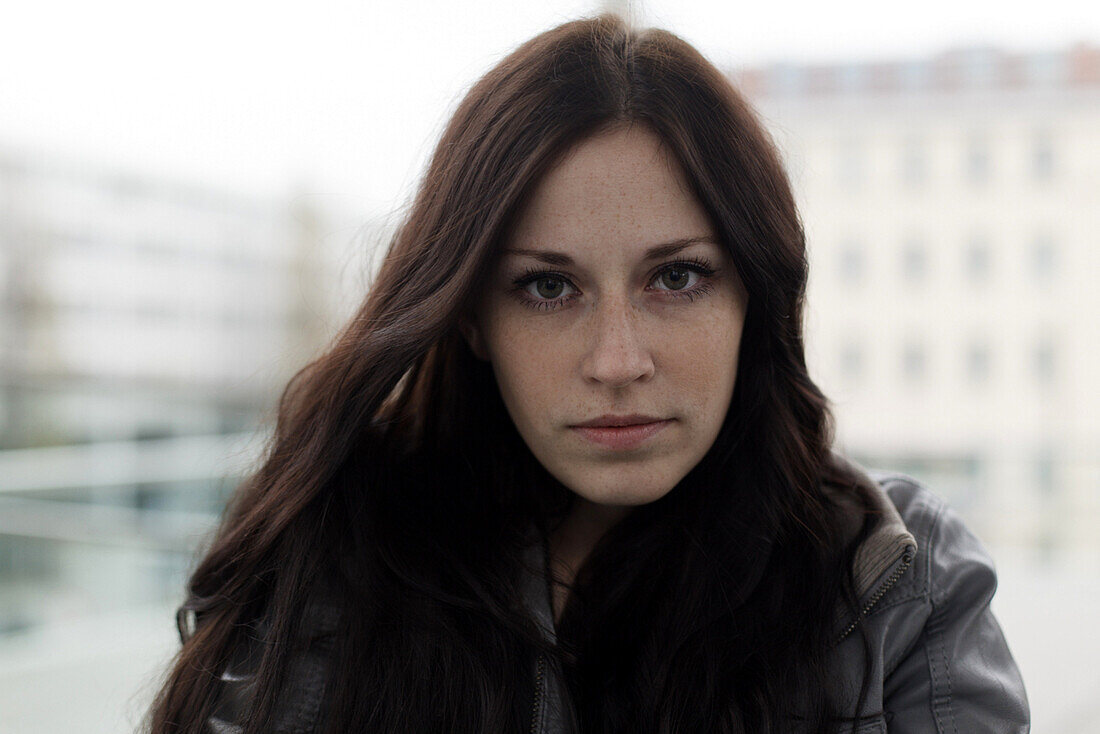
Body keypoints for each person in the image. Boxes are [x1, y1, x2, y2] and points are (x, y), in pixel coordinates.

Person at [147, 13, 1029, 734]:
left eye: (677, 277)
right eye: (547, 286)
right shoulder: (337, 560)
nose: (617, 361)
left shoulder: (902, 581)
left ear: (754, 295)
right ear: (471, 318)